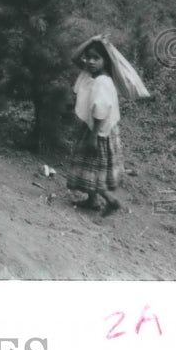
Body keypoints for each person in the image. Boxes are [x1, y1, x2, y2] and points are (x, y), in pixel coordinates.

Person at [66, 35, 125, 216]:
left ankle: (111, 199)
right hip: (93, 127)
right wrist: (91, 40)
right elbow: (75, 57)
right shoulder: (89, 73)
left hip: (98, 131)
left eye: (96, 58)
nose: (90, 61)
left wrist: (93, 137)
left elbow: (100, 111)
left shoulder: (102, 82)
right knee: (91, 166)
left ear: (105, 61)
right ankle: (92, 201)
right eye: (89, 57)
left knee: (95, 167)